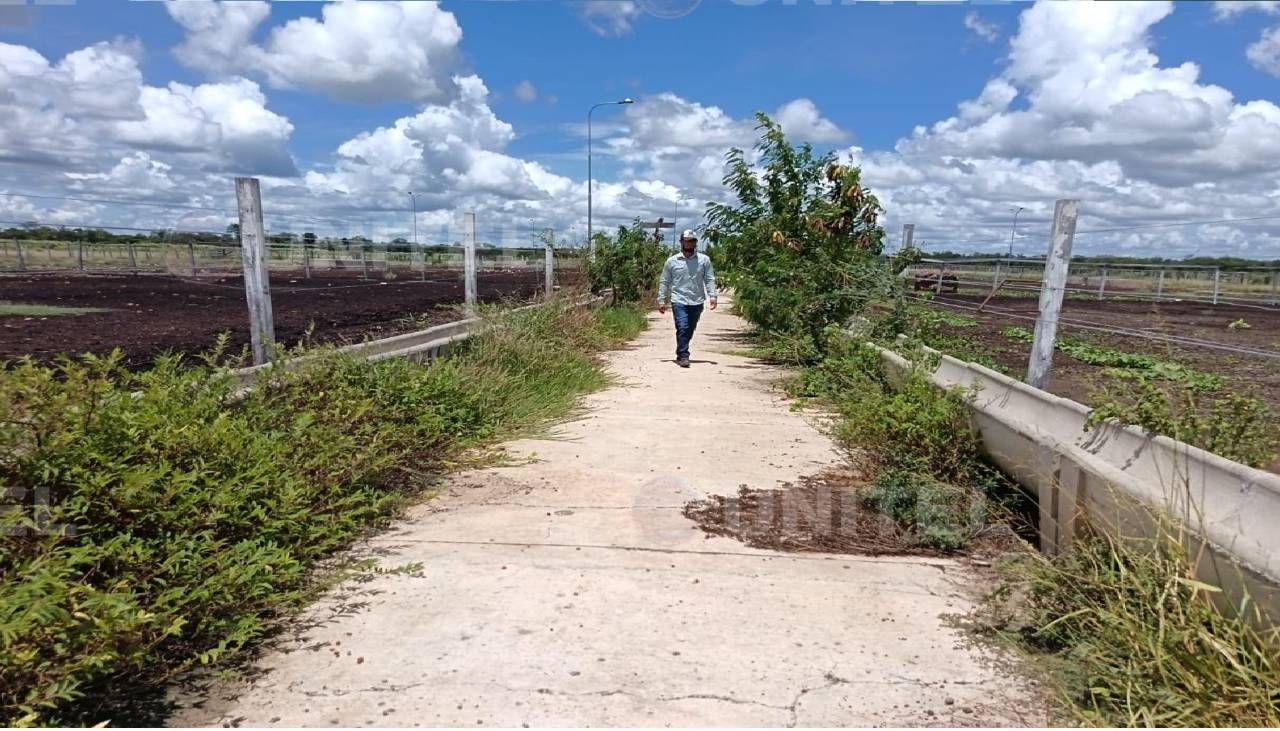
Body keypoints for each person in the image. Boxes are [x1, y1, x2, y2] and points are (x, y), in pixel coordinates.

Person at [657, 229, 717, 368]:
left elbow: (709, 278)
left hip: (697, 300)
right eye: (687, 241)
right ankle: (684, 355)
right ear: (681, 242)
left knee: (689, 328)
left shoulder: (704, 260)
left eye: (692, 241)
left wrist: (712, 296)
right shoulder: (672, 261)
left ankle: (680, 350)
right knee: (682, 326)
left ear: (696, 243)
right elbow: (664, 281)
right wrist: (661, 300)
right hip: (679, 300)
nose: (689, 244)